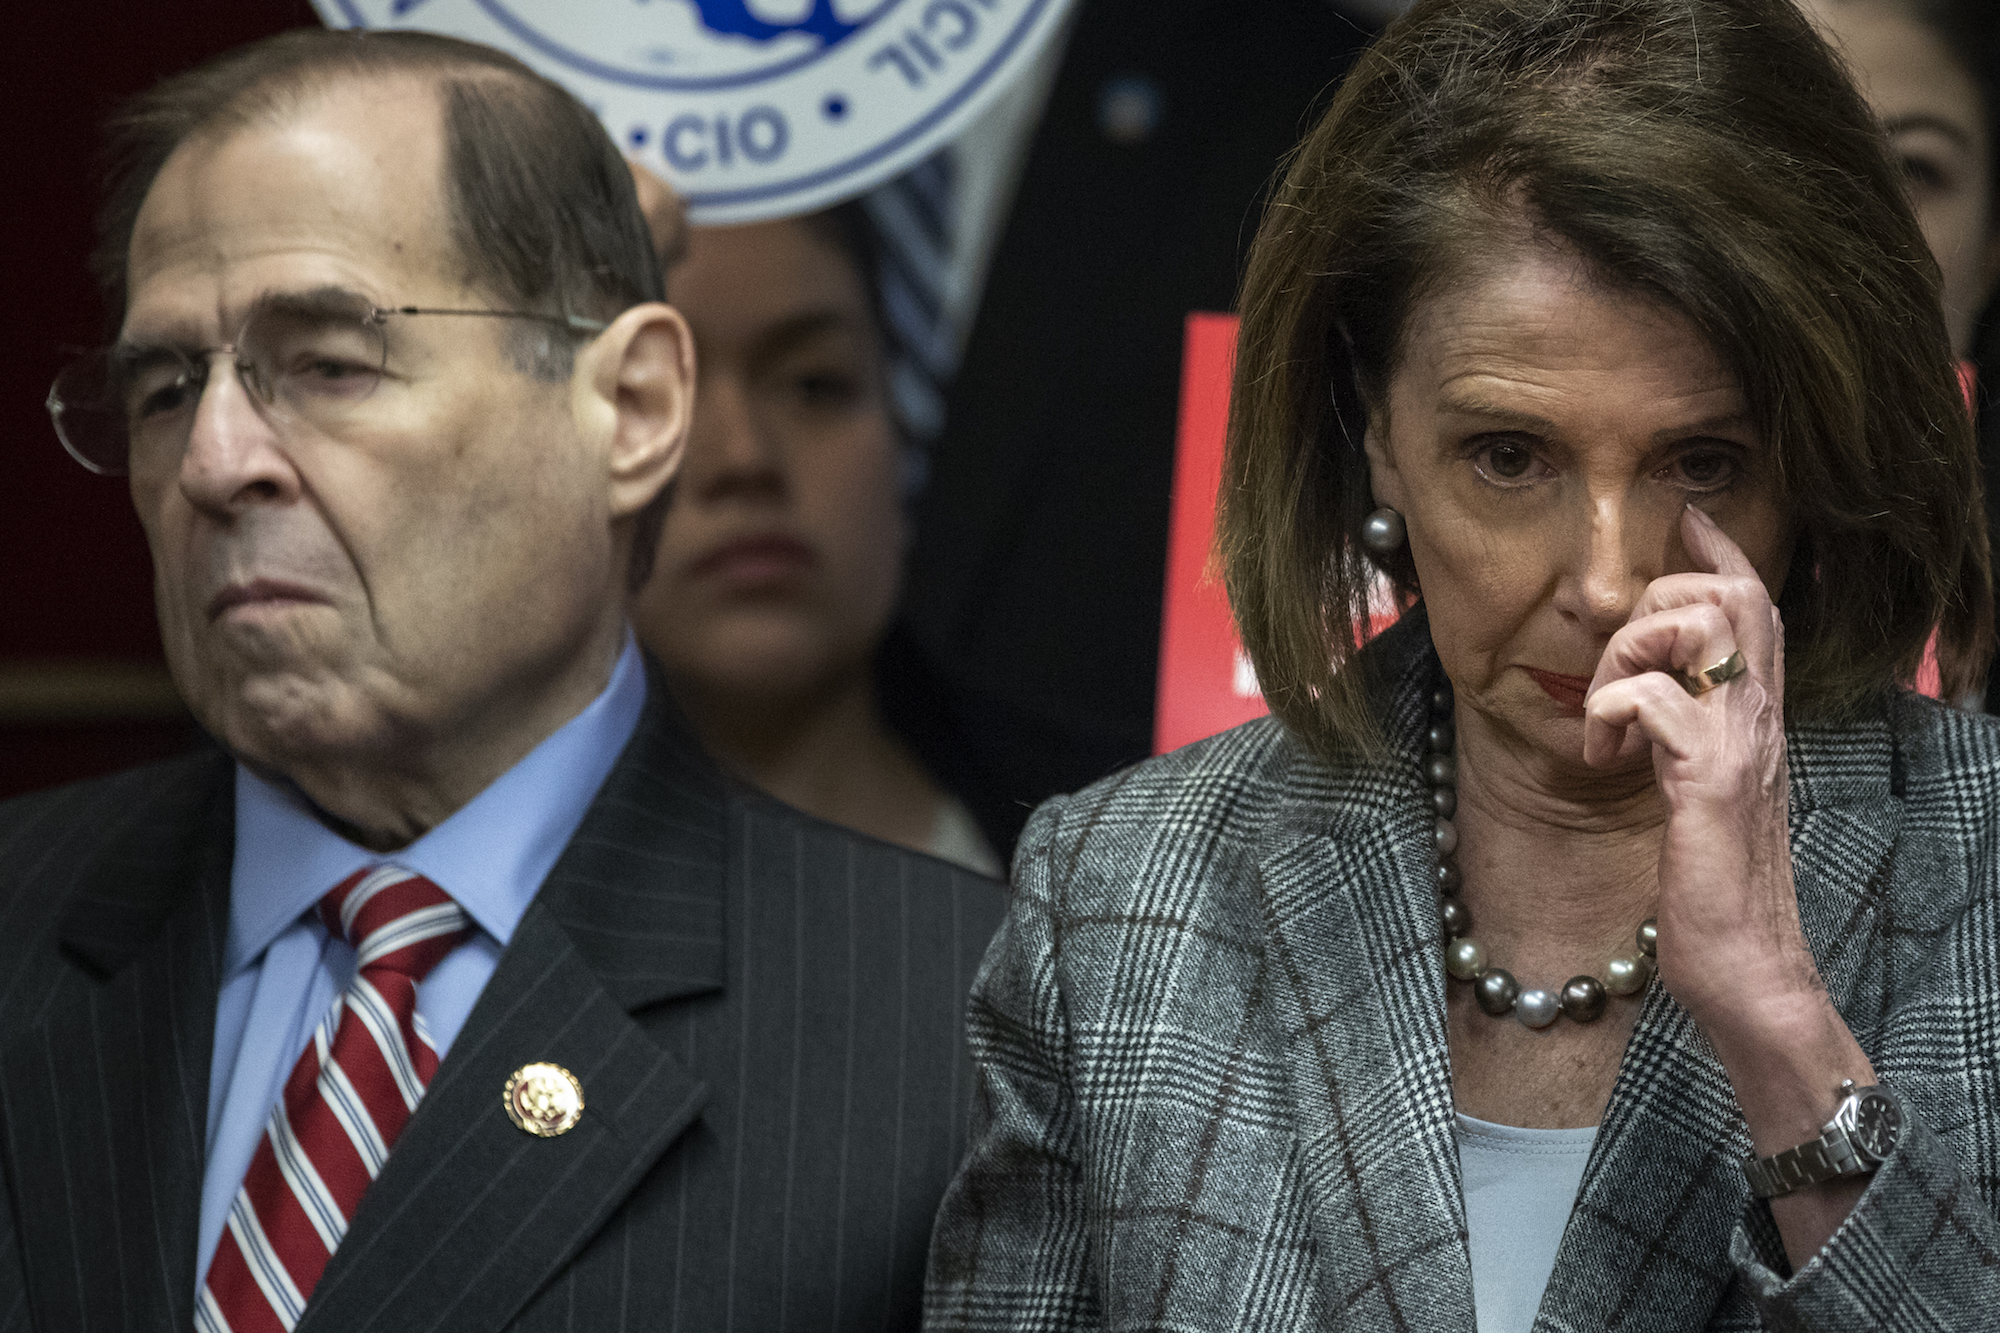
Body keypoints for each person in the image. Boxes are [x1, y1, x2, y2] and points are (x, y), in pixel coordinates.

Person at [925, 0, 2000, 1328]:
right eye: (1508, 457)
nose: (1606, 578)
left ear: (1817, 456)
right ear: (1374, 435)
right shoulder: (1123, 896)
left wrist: (1781, 1023)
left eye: (1702, 463)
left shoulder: (1978, 860)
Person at [0, 28, 1003, 1332]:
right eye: (165, 388)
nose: (214, 459)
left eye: (326, 362)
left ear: (633, 408)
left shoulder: (957, 1027)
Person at [628, 202, 1002, 877]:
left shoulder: (1142, 869)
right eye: (649, 397)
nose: (744, 456)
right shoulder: (431, 916)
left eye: (814, 384)